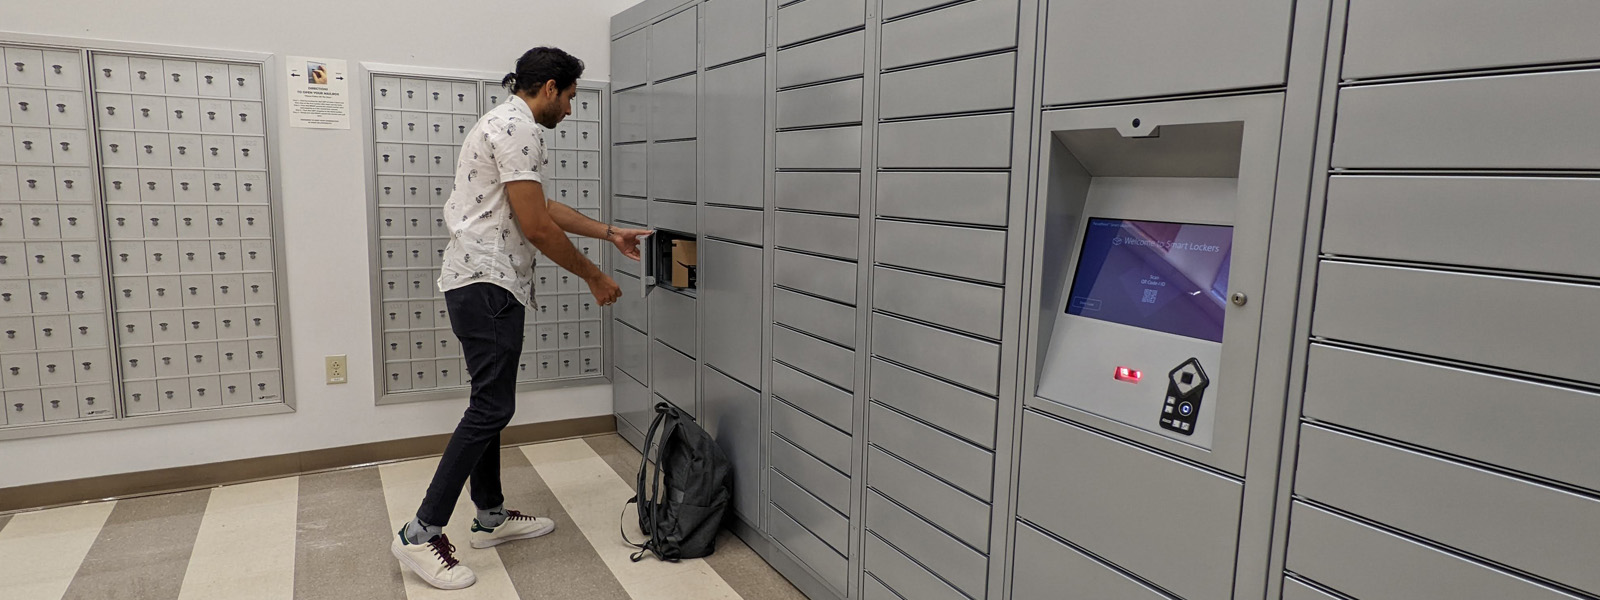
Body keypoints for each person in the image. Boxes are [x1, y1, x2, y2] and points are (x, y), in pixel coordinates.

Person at [390, 47, 650, 590]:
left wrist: (609, 233)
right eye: (570, 97)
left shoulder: (505, 123)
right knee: (491, 407)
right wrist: (594, 276)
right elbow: (536, 228)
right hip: (487, 283)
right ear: (550, 88)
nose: (571, 109)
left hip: (481, 281)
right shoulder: (519, 128)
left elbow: (539, 207)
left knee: (489, 403)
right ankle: (419, 533)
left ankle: (490, 516)